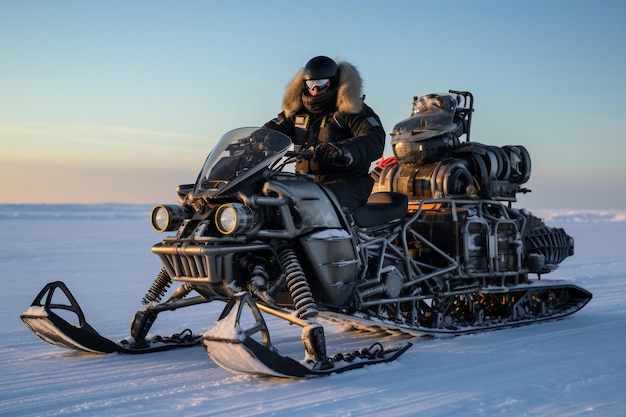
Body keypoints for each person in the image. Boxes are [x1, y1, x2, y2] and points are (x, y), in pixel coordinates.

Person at [264, 56, 385, 212]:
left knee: (322, 210)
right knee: (270, 204)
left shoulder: (351, 110)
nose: (315, 90)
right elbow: (273, 130)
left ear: (333, 82)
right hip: (305, 182)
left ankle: (336, 236)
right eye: (310, 84)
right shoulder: (297, 113)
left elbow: (374, 138)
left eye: (321, 84)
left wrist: (341, 151)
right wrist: (254, 141)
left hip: (347, 183)